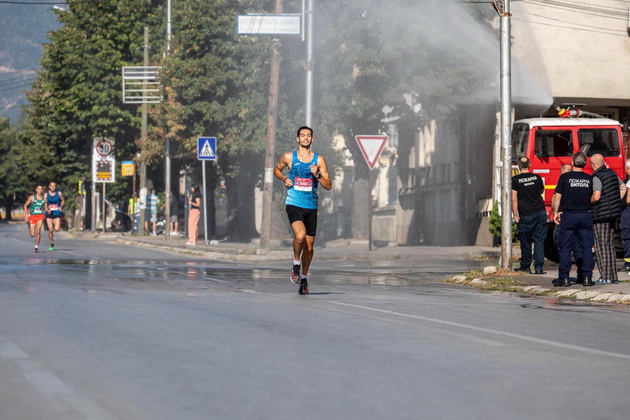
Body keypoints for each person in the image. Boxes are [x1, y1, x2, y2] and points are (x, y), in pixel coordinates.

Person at [273, 126, 332, 295]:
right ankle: (296, 264)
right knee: (300, 235)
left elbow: (328, 185)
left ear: (312, 139)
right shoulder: (288, 157)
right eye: (302, 136)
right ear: (297, 139)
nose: (305, 138)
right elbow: (277, 169)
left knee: (310, 246)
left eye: (309, 136)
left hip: (311, 206)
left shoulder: (318, 160)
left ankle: (304, 279)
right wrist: (285, 178)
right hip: (294, 203)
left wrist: (318, 176)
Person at [552, 152, 595, 287]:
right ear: (585, 163)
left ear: (572, 162)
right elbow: (593, 197)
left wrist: (555, 212)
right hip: (585, 215)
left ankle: (564, 278)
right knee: (586, 248)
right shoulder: (589, 179)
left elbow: (557, 197)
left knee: (565, 248)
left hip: (569, 215)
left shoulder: (565, 178)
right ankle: (587, 277)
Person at [589, 154, 625, 284]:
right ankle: (613, 276)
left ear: (593, 164)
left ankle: (605, 276)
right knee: (610, 246)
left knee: (601, 246)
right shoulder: (611, 173)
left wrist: (589, 202)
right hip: (613, 214)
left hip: (601, 216)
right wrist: (615, 201)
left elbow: (596, 196)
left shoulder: (597, 176)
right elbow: (623, 187)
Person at [511, 156, 547, 274]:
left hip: (526, 215)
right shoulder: (536, 177)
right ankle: (539, 267)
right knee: (539, 241)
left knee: (525, 241)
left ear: (518, 166)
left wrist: (515, 215)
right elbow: (541, 191)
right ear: (530, 165)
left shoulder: (515, 180)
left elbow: (514, 198)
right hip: (540, 212)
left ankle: (526, 266)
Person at [24, 185, 46, 253]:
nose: (39, 190)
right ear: (36, 190)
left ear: (42, 190)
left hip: (40, 216)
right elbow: (25, 205)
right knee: (32, 234)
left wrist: (48, 210)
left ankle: (36, 246)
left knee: (38, 231)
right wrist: (26, 215)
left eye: (41, 189)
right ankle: (31, 229)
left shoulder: (44, 199)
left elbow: (45, 206)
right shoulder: (32, 197)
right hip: (32, 216)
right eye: (38, 189)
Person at [44, 181, 65, 251]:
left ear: (55, 187)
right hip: (49, 214)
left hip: (56, 213)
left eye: (54, 186)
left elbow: (63, 200)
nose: (53, 187)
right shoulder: (46, 195)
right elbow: (44, 203)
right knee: (50, 229)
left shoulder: (59, 193)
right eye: (51, 186)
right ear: (49, 187)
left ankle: (54, 231)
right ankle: (52, 244)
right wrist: (47, 209)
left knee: (57, 229)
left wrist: (61, 206)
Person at [618, 159, 630, 272]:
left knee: (626, 236)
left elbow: (628, 199)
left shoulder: (628, 182)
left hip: (627, 211)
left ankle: (628, 263)